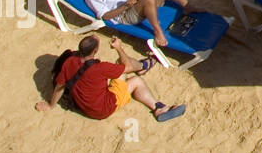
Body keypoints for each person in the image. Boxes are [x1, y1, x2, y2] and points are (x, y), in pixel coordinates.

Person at [37, 35, 184, 122]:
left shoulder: (69, 62)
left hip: (84, 104)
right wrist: (119, 48)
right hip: (103, 108)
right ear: (95, 51)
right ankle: (158, 108)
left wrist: (50, 105)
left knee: (121, 69)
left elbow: (59, 87)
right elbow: (127, 66)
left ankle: (144, 65)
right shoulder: (100, 68)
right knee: (135, 80)